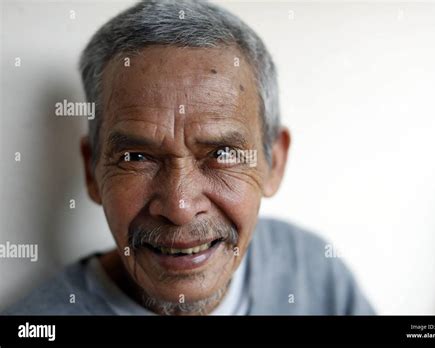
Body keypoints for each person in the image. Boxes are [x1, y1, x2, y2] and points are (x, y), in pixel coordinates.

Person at [4, 0, 374, 315]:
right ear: (91, 170)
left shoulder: (312, 271)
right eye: (136, 157)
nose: (179, 208)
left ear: (273, 163)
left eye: (223, 153)